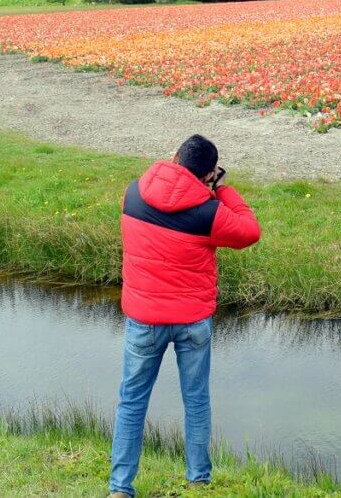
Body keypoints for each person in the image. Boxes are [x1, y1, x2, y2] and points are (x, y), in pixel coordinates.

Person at [109, 134, 261, 498]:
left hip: (144, 319)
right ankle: (197, 479)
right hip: (192, 320)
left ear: (175, 156)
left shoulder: (132, 194)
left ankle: (120, 488)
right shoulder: (208, 213)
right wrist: (222, 190)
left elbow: (165, 193)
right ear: (209, 174)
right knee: (195, 400)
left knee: (131, 402)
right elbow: (250, 232)